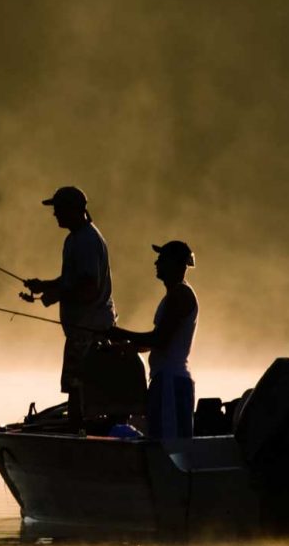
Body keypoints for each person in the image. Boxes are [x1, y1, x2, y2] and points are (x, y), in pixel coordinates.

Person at [21, 186, 117, 427]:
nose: (55, 214)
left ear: (74, 210)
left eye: (58, 209)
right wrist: (45, 286)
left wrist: (55, 295)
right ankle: (80, 431)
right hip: (81, 331)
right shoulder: (75, 238)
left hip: (89, 332)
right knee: (77, 389)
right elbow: (72, 280)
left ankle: (80, 434)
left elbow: (89, 287)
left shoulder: (87, 240)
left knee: (79, 389)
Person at [104, 241, 198, 439]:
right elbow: (157, 341)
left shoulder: (180, 295)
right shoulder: (173, 294)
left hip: (170, 382)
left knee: (168, 447)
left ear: (175, 264)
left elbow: (160, 340)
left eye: (161, 259)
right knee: (161, 442)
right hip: (165, 380)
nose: (156, 263)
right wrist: (126, 346)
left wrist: (122, 334)